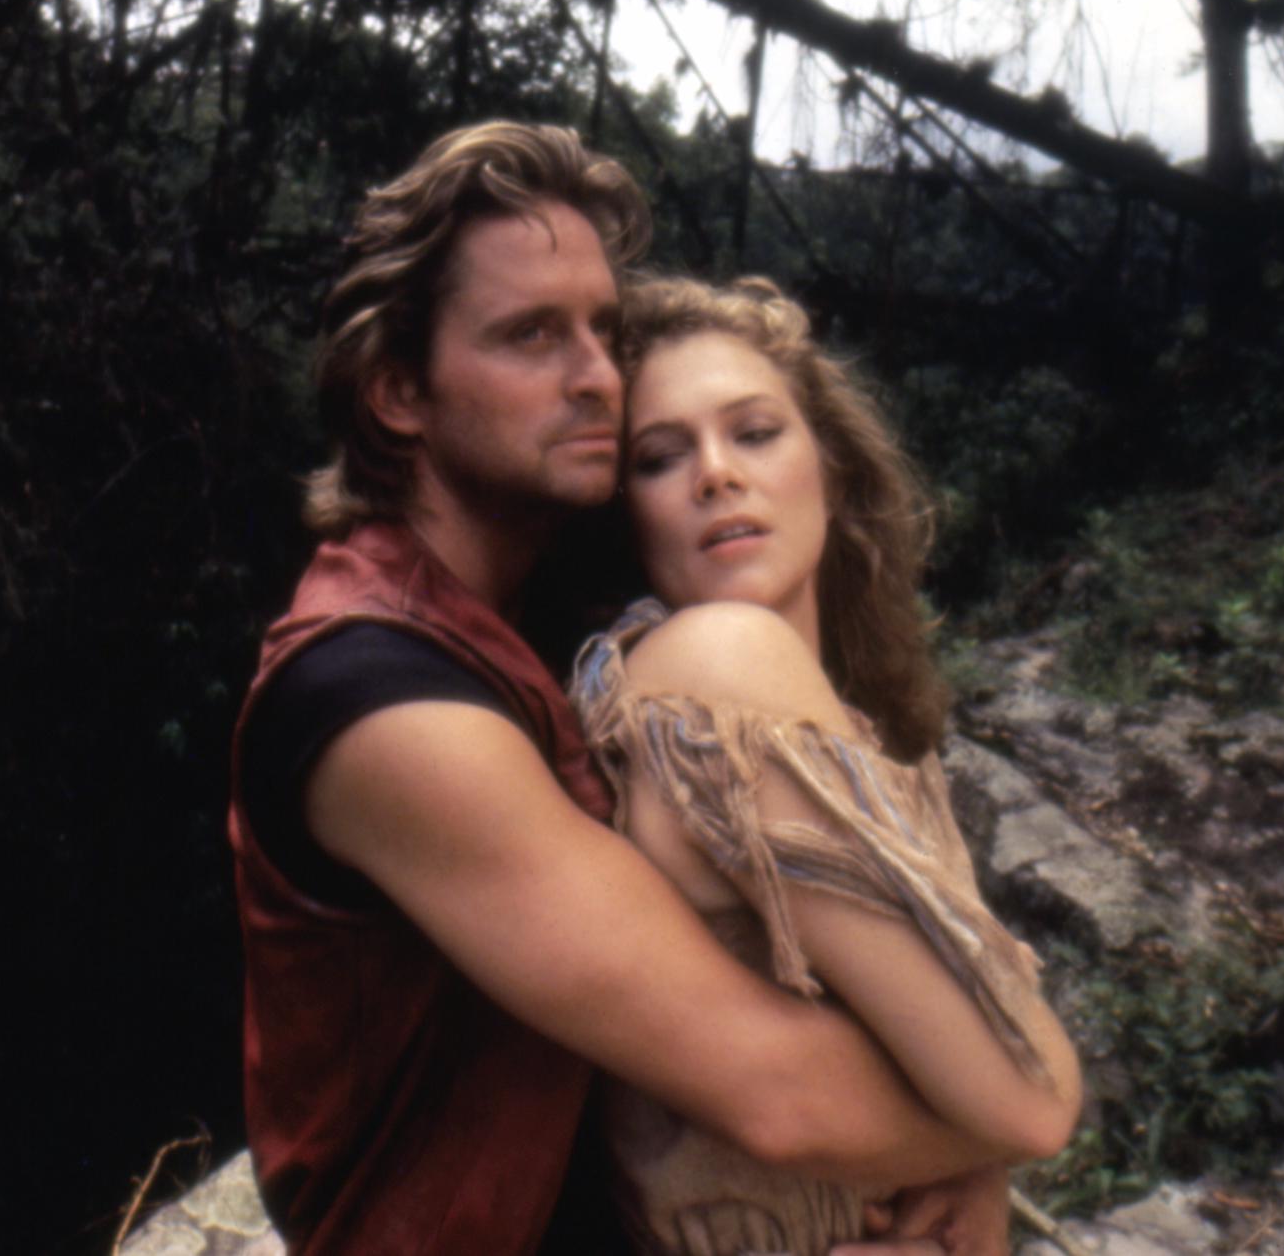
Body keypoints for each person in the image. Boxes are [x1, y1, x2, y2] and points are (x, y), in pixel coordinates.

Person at [229, 122, 1065, 1256]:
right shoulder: (380, 702)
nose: (595, 378)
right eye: (532, 336)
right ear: (397, 394)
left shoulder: (533, 624)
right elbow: (783, 1092)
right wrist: (976, 1146)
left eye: (603, 332)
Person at [569, 276, 1081, 1254]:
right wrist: (981, 1144)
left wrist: (973, 1165)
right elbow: (1031, 1096)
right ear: (623, 514)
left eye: (754, 433)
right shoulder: (717, 668)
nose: (715, 474)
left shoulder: (846, 718)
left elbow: (984, 1089)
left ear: (831, 468)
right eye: (659, 457)